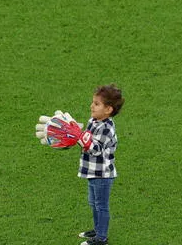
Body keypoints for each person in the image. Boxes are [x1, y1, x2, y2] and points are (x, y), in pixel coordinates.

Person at [77, 84, 124, 245]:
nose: (92, 106)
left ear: (108, 109)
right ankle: (98, 230)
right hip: (92, 171)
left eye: (97, 104)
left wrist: (78, 136)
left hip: (102, 174)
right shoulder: (94, 120)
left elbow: (95, 148)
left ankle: (101, 238)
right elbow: (86, 138)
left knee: (101, 205)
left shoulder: (106, 128)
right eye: (93, 102)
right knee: (93, 203)